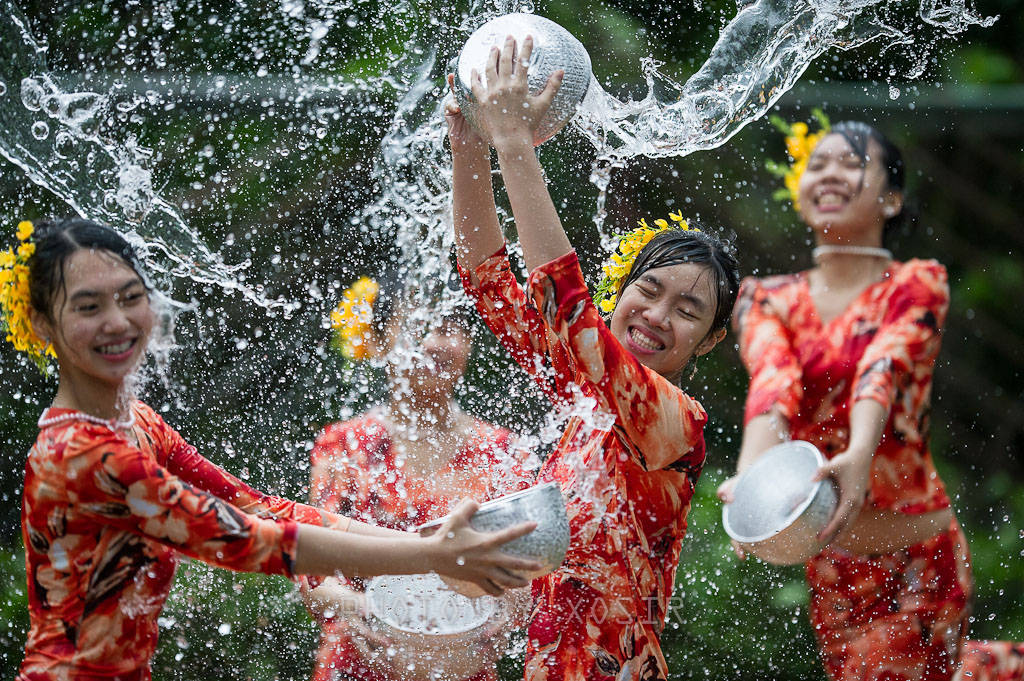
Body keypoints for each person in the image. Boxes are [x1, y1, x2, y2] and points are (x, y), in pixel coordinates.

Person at [4, 217, 542, 681]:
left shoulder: (136, 423)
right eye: (89, 306)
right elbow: (253, 540)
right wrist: (432, 556)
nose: (118, 322)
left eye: (130, 297)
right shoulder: (81, 456)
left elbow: (260, 507)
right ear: (42, 325)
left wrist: (433, 548)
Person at [445, 36, 740, 681]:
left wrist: (516, 147)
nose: (658, 316)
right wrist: (469, 145)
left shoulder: (676, 424)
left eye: (688, 312)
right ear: (623, 291)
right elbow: (487, 279)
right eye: (649, 291)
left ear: (711, 340)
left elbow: (571, 314)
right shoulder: (584, 398)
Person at [719, 117, 1024, 681]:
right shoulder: (765, 298)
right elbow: (773, 381)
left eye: (851, 162)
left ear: (890, 197)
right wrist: (750, 477)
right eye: (818, 163)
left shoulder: (917, 284)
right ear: (801, 193)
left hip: (919, 559)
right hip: (832, 571)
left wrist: (859, 453)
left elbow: (880, 366)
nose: (829, 172)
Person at [303, 272, 534, 681]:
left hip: (465, 662)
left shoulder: (500, 451)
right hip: (360, 662)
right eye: (415, 327)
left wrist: (508, 613)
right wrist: (354, 610)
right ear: (380, 340)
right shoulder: (345, 446)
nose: (432, 343)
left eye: (448, 328)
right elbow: (312, 571)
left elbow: (524, 570)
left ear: (469, 344)